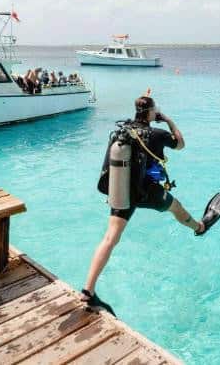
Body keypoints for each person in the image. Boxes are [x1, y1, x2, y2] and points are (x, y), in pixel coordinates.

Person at [80, 92, 206, 315]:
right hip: (147, 192)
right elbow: (181, 144)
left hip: (122, 190)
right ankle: (199, 227)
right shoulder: (156, 133)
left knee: (110, 238)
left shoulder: (124, 131)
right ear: (151, 112)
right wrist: (167, 119)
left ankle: (88, 290)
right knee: (176, 207)